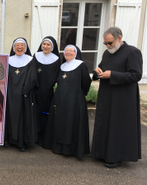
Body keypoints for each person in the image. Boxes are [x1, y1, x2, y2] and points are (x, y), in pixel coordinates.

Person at [91, 27, 142, 168]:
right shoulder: (107, 53)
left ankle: (115, 157)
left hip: (122, 98)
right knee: (105, 122)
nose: (108, 46)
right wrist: (97, 72)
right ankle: (101, 153)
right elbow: (101, 69)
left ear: (119, 38)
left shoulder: (132, 52)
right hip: (107, 95)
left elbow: (136, 75)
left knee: (116, 126)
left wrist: (112, 75)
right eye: (105, 43)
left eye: (110, 43)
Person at [43, 45, 91, 159]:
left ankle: (71, 150)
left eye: (71, 51)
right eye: (66, 51)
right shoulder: (62, 66)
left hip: (75, 101)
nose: (68, 53)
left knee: (72, 123)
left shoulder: (81, 65)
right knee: (60, 122)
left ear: (76, 53)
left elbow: (86, 83)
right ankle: (59, 147)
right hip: (60, 100)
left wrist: (77, 95)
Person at [24, 36, 60, 146]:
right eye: (44, 44)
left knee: (45, 114)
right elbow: (31, 73)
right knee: (34, 112)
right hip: (35, 89)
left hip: (47, 91)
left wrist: (49, 86)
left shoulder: (56, 59)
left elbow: (56, 75)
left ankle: (44, 137)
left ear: (52, 47)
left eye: (48, 44)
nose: (45, 46)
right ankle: (34, 135)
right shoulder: (36, 56)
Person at [5, 37, 36, 152]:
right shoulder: (8, 60)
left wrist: (25, 90)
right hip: (10, 94)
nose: (19, 47)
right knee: (9, 117)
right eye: (17, 45)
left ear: (26, 47)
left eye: (22, 45)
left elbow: (32, 77)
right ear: (13, 48)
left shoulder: (30, 60)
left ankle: (21, 142)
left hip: (24, 95)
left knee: (23, 118)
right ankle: (9, 139)